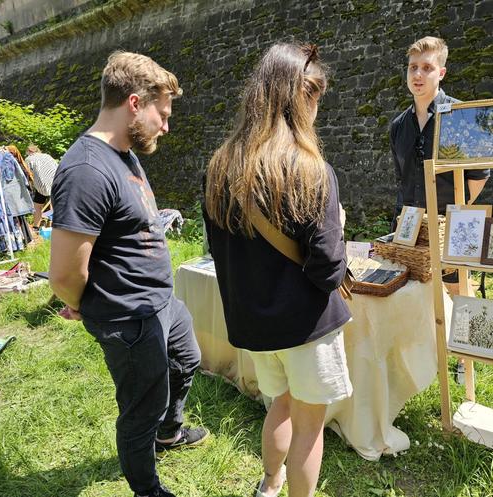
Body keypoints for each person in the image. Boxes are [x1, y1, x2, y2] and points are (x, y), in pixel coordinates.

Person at [49, 51, 206, 497]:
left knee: (186, 360)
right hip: (128, 317)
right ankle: (147, 490)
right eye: (164, 113)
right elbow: (62, 272)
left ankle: (169, 433)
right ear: (135, 104)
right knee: (142, 408)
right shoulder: (86, 170)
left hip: (160, 303)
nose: (167, 126)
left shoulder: (123, 153)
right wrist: (84, 304)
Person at [204, 42, 352, 497]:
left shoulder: (219, 167)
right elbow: (328, 270)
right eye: (315, 98)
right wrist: (340, 227)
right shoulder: (310, 169)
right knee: (309, 427)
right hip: (306, 325)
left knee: (279, 406)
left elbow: (217, 250)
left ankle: (270, 484)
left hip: (256, 326)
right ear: (300, 96)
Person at [390, 35, 490, 293]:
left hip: (452, 228)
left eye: (427, 67)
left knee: (455, 302)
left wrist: (453, 217)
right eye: (413, 67)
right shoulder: (398, 126)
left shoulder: (461, 116)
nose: (418, 74)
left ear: (442, 73)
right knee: (409, 300)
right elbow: (403, 178)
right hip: (408, 229)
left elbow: (479, 176)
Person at [25, 143, 58, 228]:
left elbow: (28, 174)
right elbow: (56, 166)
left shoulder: (29, 159)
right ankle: (57, 226)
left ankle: (37, 227)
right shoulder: (46, 156)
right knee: (56, 205)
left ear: (29, 151)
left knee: (37, 206)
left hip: (41, 185)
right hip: (56, 181)